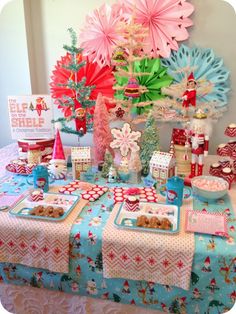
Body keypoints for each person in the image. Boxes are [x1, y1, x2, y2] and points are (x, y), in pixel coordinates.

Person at [188, 109, 212, 177]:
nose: (198, 129)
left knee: (200, 161)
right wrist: (188, 144)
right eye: (196, 127)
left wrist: (206, 151)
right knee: (192, 160)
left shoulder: (205, 136)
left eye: (200, 127)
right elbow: (189, 141)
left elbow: (206, 143)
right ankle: (192, 174)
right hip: (193, 150)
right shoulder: (192, 134)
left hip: (201, 149)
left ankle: (199, 174)